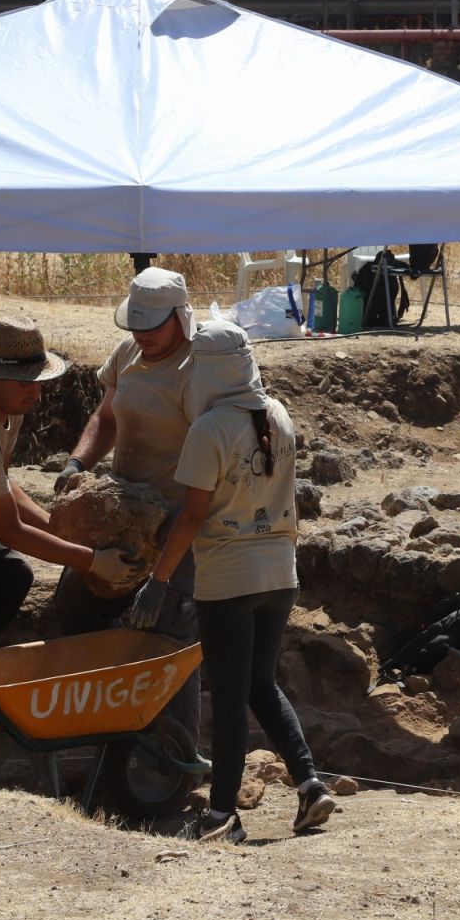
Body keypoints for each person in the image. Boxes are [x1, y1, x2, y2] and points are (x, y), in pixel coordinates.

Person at [0, 316, 147, 779]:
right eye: (23, 383)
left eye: (38, 380)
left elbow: (2, 485)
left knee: (11, 574)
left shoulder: (2, 407)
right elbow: (12, 529)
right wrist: (91, 560)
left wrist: (60, 533)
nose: (35, 391)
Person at [129, 320, 333, 844]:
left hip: (228, 579)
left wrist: (159, 579)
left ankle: (222, 815)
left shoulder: (210, 430)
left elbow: (192, 516)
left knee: (228, 694)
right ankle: (310, 784)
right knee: (259, 685)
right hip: (278, 574)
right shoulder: (278, 415)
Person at [53, 267, 202, 727]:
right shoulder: (128, 354)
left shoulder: (200, 368)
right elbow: (107, 418)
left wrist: (163, 574)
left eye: (152, 326)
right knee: (75, 605)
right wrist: (79, 461)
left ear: (180, 317)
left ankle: (171, 755)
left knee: (168, 634)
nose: (142, 335)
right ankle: (102, 719)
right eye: (135, 325)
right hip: (119, 512)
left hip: (177, 517)